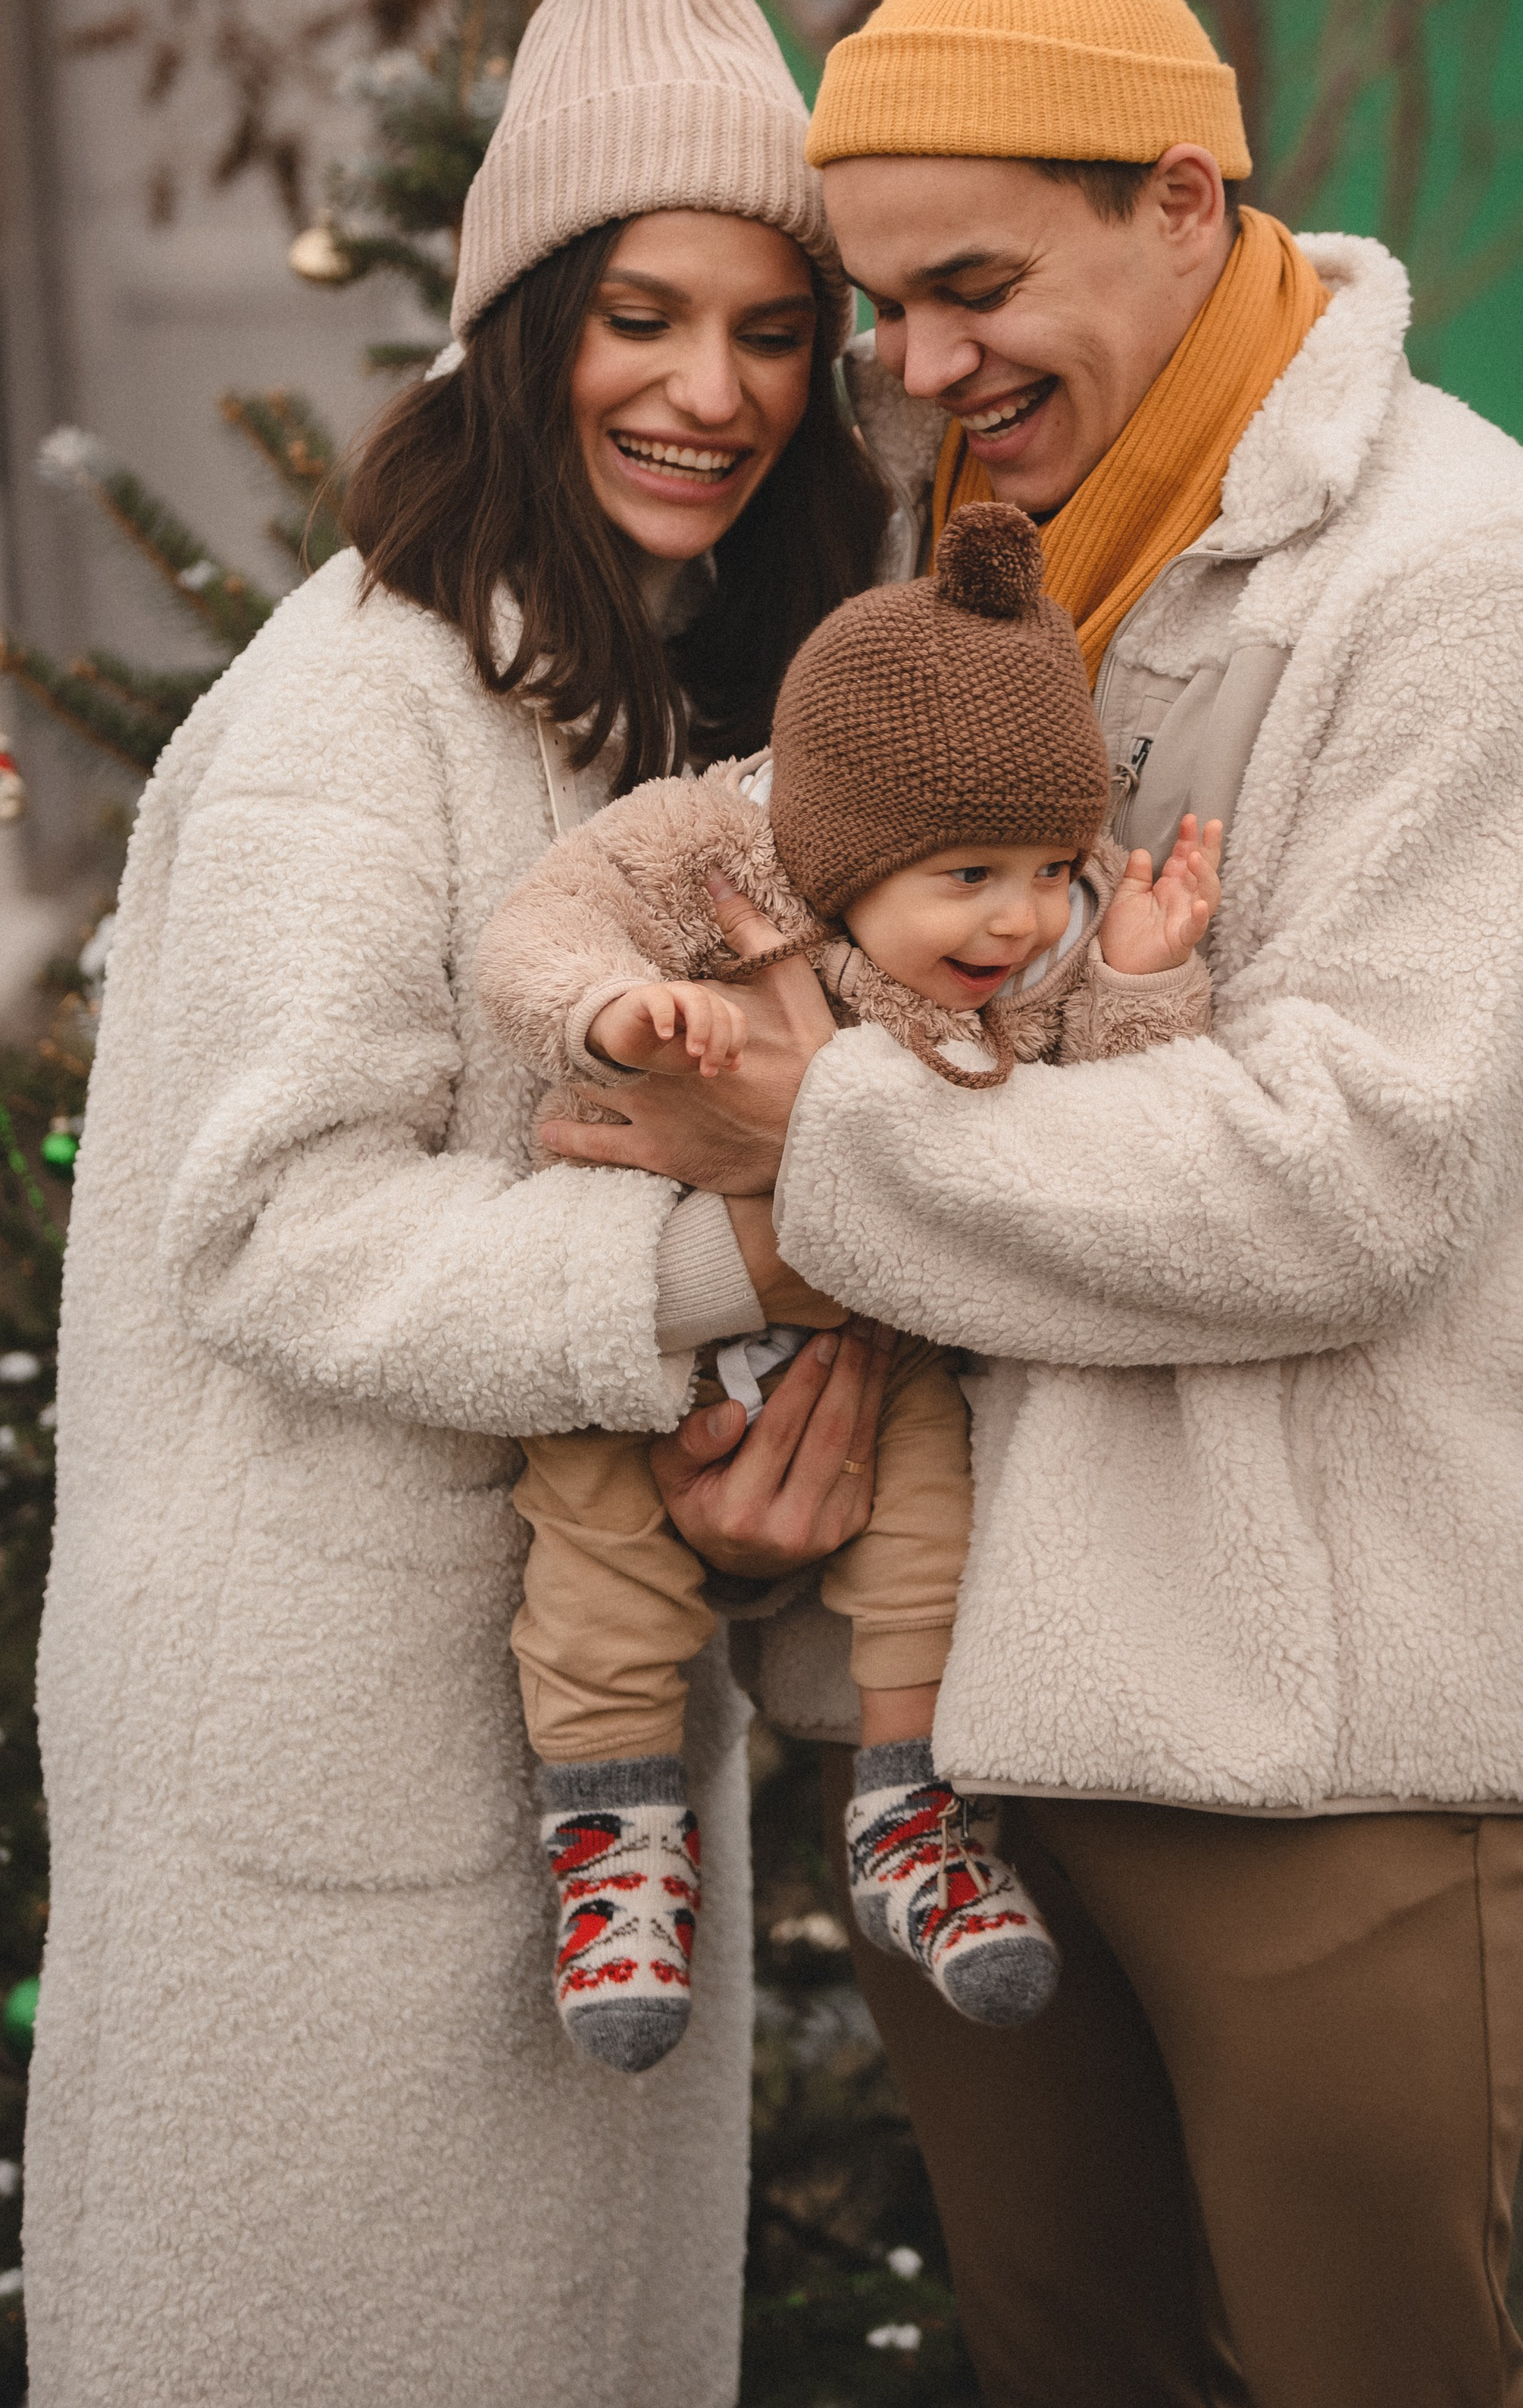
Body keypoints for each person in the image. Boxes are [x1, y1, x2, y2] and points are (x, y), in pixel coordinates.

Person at [544, 0, 1523, 2408]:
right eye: (885, 311)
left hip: (1313, 1721)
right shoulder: (979, 576)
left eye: (976, 283)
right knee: (1071, 2363)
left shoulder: (1468, 593)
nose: (926, 367)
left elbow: (1351, 1179)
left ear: (1186, 199)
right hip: (958, 1717)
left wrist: (810, 1137)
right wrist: (787, 1439)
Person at [23, 0, 897, 2408]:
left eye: (766, 326)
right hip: (323, 1796)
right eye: (642, 314)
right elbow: (276, 1218)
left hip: (562, 1762)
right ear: (524, 320)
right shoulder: (364, 699)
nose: (711, 390)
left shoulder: (652, 689)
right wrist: (723, 1245)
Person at [475, 498, 1220, 2067]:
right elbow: (535, 934)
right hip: (652, 1320)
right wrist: (612, 1010)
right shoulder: (709, 853)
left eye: (1045, 868)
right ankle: (614, 1842)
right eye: (968, 873)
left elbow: (1115, 1123)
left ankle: (915, 1822)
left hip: (875, 1359)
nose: (1015, 919)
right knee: (592, 1561)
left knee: (930, 1529)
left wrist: (1142, 980)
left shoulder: (1023, 956)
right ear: (846, 845)